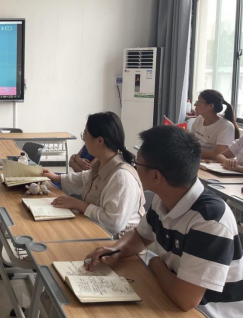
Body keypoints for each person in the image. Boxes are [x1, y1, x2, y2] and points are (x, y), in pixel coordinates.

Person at [84, 126, 242, 317]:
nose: (134, 168)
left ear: (155, 176)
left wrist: (155, 262)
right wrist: (116, 250)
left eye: (137, 163)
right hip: (170, 296)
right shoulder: (164, 198)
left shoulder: (209, 220)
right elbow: (140, 236)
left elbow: (185, 299)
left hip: (206, 312)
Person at [42, 112, 145, 236]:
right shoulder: (103, 164)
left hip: (117, 242)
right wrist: (56, 177)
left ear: (99, 140)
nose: (84, 140)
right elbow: (83, 178)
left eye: (85, 134)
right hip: (96, 230)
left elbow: (114, 224)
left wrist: (79, 205)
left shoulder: (121, 177)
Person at [190, 89, 239, 159]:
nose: (195, 104)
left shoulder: (226, 126)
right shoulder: (199, 119)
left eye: (199, 101)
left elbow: (217, 154)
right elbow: (189, 142)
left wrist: (191, 151)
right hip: (198, 160)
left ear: (210, 106)